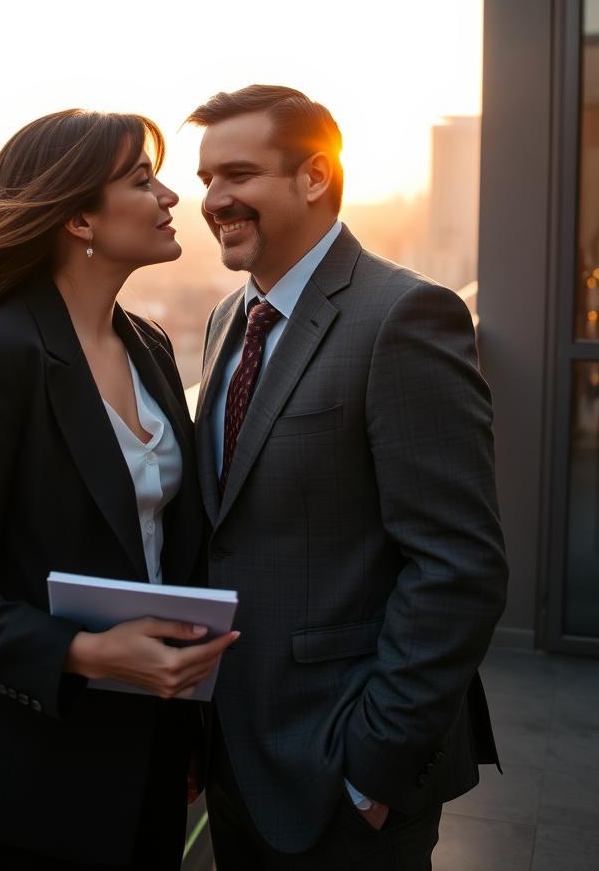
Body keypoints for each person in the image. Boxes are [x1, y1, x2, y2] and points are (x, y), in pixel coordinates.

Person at [0, 109, 237, 871]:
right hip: (33, 780)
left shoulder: (150, 345)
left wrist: (185, 731)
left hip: (149, 754)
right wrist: (91, 653)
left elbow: (162, 549)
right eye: (141, 179)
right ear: (76, 217)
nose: (171, 197)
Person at [187, 84, 508, 871]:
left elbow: (458, 567)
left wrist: (373, 766)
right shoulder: (228, 318)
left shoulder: (405, 317)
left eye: (238, 174)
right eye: (205, 182)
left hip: (344, 769)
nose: (214, 200)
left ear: (315, 177)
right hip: (236, 756)